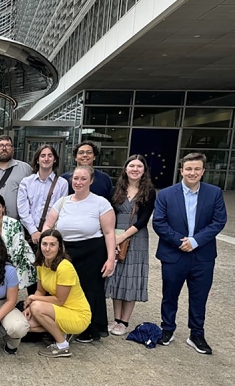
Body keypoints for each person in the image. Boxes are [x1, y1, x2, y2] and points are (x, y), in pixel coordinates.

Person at [153, 152, 227, 355]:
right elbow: (158, 222)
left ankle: (196, 334)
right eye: (188, 169)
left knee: (199, 296)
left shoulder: (214, 193)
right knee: (170, 295)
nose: (192, 172)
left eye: (196, 169)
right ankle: (167, 329)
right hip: (173, 254)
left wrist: (195, 241)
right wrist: (181, 242)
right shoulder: (166, 194)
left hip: (202, 255)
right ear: (181, 171)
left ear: (203, 171)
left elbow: (218, 221)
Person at [43, 165, 116, 342]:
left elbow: (109, 233)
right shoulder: (62, 202)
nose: (79, 182)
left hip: (92, 253)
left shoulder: (101, 203)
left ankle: (88, 330)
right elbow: (47, 226)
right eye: (76, 178)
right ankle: (60, 325)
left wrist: (111, 258)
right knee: (62, 289)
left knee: (89, 290)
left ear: (91, 181)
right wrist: (48, 245)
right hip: (65, 253)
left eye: (83, 178)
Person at [105, 155, 156, 336]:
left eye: (139, 166)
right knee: (117, 276)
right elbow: (109, 214)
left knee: (131, 277)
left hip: (136, 237)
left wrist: (123, 236)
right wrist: (113, 238)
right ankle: (116, 318)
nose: (135, 169)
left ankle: (124, 321)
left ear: (144, 171)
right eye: (131, 166)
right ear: (125, 169)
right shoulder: (115, 190)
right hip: (116, 235)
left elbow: (144, 219)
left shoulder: (149, 192)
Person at [24, 229, 91, 358]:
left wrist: (32, 299)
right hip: (58, 310)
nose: (47, 249)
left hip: (77, 314)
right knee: (25, 323)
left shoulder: (65, 267)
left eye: (52, 245)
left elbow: (60, 300)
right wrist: (29, 306)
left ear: (59, 247)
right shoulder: (42, 264)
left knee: (37, 307)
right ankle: (62, 332)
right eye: (44, 244)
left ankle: (62, 345)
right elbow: (40, 291)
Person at [0, 195, 37, 294]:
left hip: (20, 266)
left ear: (3, 208)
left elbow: (18, 253)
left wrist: (4, 271)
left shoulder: (14, 224)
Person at [17, 144, 68, 246]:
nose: (46, 158)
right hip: (28, 233)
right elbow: (22, 209)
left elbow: (62, 210)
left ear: (54, 160)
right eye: (43, 155)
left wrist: (47, 232)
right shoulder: (26, 182)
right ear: (37, 160)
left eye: (50, 155)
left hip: (51, 234)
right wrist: (33, 231)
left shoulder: (62, 183)